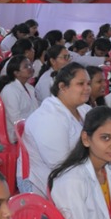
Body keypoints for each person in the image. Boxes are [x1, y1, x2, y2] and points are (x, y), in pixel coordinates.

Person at [20, 64, 90, 195]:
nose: (87, 88)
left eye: (88, 83)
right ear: (63, 87)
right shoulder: (47, 118)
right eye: (81, 84)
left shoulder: (83, 109)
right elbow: (59, 165)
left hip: (76, 171)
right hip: (48, 181)